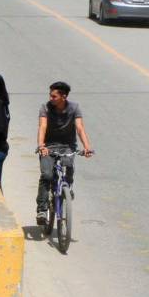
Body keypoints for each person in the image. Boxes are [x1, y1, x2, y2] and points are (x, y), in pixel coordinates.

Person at [35, 81, 95, 226]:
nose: (51, 98)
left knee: (68, 166)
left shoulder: (74, 108)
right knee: (47, 175)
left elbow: (80, 128)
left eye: (54, 96)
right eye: (50, 95)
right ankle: (42, 209)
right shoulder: (45, 108)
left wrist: (87, 147)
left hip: (67, 146)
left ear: (64, 96)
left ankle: (68, 188)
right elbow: (42, 126)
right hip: (48, 147)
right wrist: (41, 145)